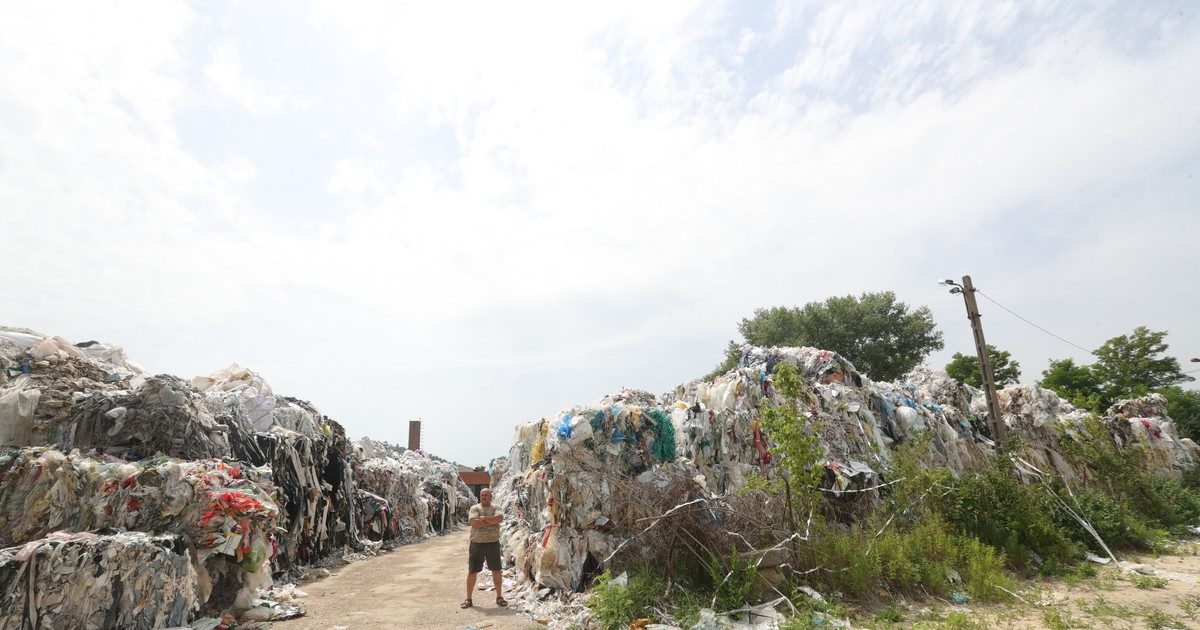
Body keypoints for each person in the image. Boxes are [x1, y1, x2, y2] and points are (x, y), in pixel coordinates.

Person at [461, 488, 506, 608]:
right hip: (477, 543)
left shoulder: (496, 507)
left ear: (491, 497)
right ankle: (468, 599)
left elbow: (500, 519)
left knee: (496, 570)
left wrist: (484, 519)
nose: (484, 497)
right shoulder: (475, 508)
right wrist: (492, 521)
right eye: (482, 495)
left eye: (486, 495)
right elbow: (474, 523)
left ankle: (499, 597)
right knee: (472, 571)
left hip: (493, 543)